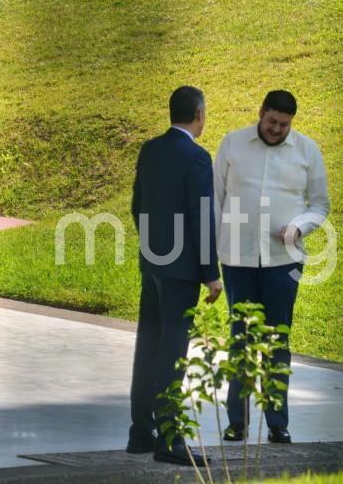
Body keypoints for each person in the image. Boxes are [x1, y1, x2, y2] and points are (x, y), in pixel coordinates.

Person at [213, 90, 330, 444]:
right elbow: (214, 199)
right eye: (272, 122)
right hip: (237, 260)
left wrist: (299, 227)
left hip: (284, 262)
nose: (277, 129)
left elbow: (320, 205)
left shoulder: (308, 151)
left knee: (278, 340)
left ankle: (278, 423)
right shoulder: (233, 143)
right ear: (260, 113)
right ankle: (238, 422)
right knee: (241, 340)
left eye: (284, 124)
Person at [128, 86, 223, 465]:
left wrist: (152, 246)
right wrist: (211, 273)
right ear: (199, 114)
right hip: (181, 271)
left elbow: (138, 205)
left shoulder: (150, 150)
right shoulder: (198, 158)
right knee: (172, 351)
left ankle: (140, 431)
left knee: (148, 345)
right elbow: (202, 216)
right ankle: (170, 438)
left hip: (152, 264)